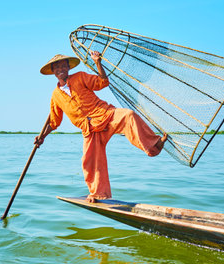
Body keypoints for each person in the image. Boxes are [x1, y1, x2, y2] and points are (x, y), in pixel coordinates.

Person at [35, 51, 167, 203]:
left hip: (105, 114)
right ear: (53, 71)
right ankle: (98, 194)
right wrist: (42, 137)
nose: (61, 70)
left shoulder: (80, 77)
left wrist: (97, 62)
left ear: (68, 67)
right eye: (57, 67)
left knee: (128, 115)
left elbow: (102, 82)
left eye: (63, 66)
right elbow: (53, 122)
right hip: (89, 130)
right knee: (89, 162)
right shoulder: (55, 96)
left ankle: (154, 144)